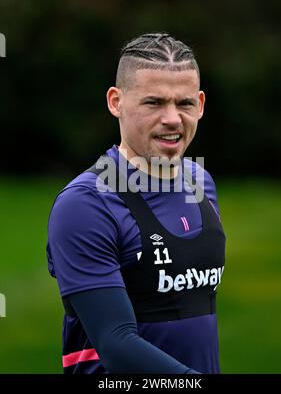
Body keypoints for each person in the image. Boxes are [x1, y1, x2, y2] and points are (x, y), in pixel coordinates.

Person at [46, 33, 226, 374]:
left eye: (184, 103)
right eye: (154, 102)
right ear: (116, 102)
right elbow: (116, 343)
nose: (172, 118)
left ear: (200, 105)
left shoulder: (200, 182)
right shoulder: (86, 204)